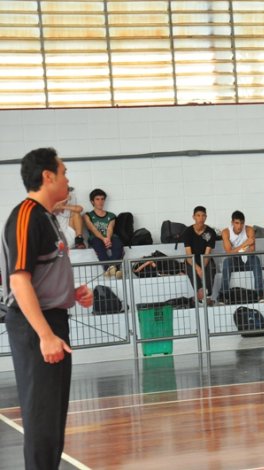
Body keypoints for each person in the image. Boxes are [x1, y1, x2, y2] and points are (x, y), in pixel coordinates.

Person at [1, 147, 93, 470]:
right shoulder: (26, 215)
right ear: (47, 176)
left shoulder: (47, 217)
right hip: (35, 327)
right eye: (64, 172)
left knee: (53, 421)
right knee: (42, 420)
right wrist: (44, 335)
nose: (67, 179)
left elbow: (41, 275)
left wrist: (71, 293)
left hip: (53, 321)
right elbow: (19, 280)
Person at [220, 211, 264, 303]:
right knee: (226, 262)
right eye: (237, 223)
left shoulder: (249, 230)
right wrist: (245, 244)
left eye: (241, 223)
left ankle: (260, 293)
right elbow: (228, 253)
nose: (239, 226)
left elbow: (252, 250)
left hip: (248, 259)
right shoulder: (226, 232)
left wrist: (235, 250)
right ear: (232, 223)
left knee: (255, 259)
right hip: (234, 261)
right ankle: (223, 295)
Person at [83, 188, 124, 278]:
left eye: (102, 199)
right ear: (92, 201)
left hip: (109, 237)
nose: (100, 202)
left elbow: (110, 228)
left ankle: (109, 269)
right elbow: (93, 229)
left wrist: (108, 238)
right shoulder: (88, 215)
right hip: (95, 238)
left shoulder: (111, 215)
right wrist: (104, 239)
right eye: (97, 199)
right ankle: (114, 269)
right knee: (98, 244)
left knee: (118, 243)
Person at [183, 206, 217, 303]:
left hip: (205, 258)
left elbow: (207, 253)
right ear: (193, 217)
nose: (201, 218)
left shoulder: (210, 232)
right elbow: (188, 255)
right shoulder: (188, 232)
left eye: (203, 215)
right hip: (191, 259)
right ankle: (200, 295)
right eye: (198, 215)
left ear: (206, 217)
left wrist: (202, 267)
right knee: (192, 271)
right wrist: (198, 268)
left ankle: (207, 295)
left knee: (211, 268)